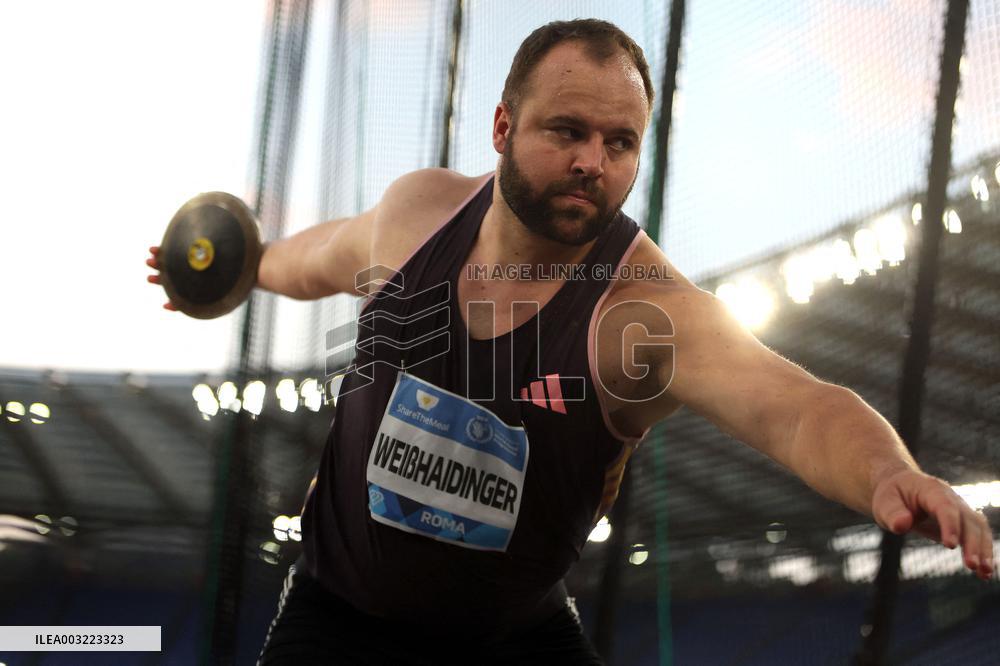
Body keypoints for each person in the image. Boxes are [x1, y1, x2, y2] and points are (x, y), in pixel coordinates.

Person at [147, 18, 994, 665]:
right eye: (568, 131)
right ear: (504, 126)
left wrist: (889, 471)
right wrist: (235, 272)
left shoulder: (646, 316)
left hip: (513, 637)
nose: (594, 160)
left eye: (620, 142)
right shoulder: (415, 219)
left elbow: (797, 409)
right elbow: (309, 258)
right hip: (336, 620)